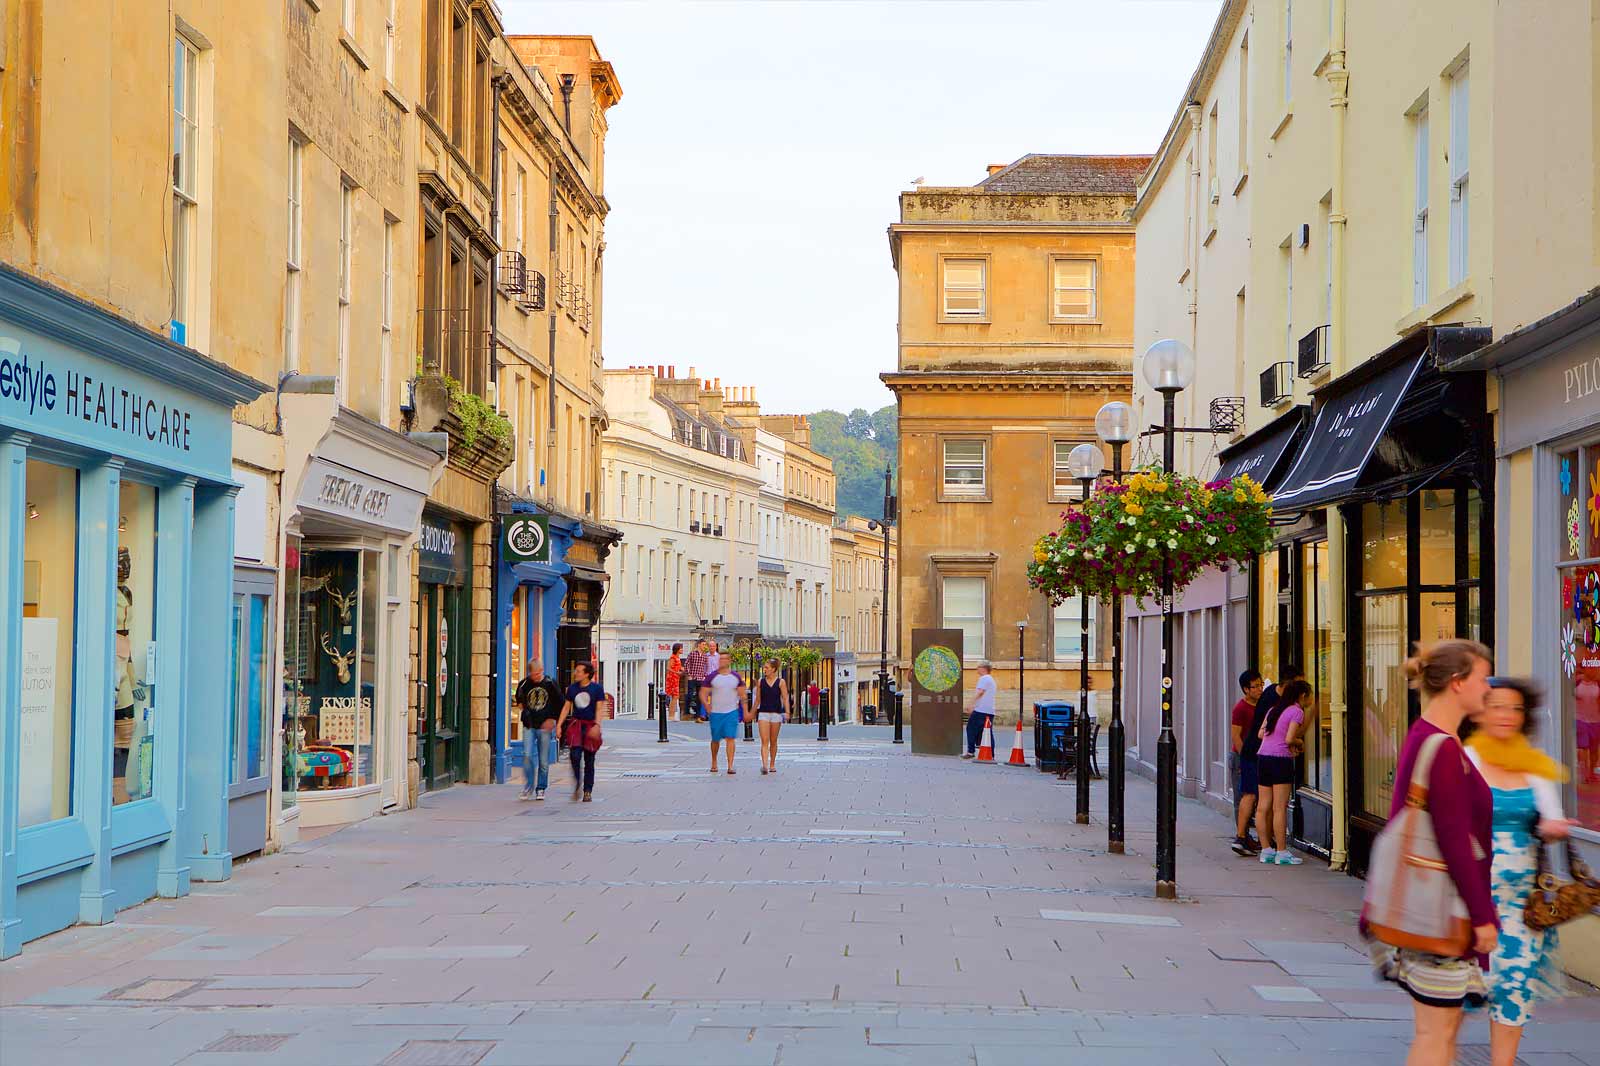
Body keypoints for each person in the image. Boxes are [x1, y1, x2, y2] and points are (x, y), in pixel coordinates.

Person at [1365, 640, 1498, 1066]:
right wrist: (1482, 917)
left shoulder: (1427, 737)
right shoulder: (1441, 748)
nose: (1488, 690)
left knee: (1441, 1031)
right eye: (1483, 679)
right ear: (1458, 683)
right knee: (1435, 1033)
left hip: (1430, 904)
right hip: (1441, 911)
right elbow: (1454, 840)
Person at [1464, 677, 1573, 1066]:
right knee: (1457, 993)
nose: (1507, 716)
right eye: (1497, 706)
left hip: (1522, 906)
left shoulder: (1534, 765)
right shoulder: (1466, 760)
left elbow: (1552, 820)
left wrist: (1552, 828)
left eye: (1515, 708)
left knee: (1514, 989)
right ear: (1480, 711)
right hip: (1469, 901)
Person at [1255, 678, 1311, 865]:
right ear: (1302, 695)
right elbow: (1289, 739)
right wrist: (1299, 742)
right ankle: (1281, 851)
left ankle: (1266, 850)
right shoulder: (1296, 711)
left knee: (1263, 806)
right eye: (1308, 697)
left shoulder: (1273, 709)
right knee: (1279, 807)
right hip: (1280, 759)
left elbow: (1261, 734)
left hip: (1263, 757)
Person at [556, 662, 606, 802]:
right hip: (576, 725)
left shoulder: (597, 689)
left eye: (578, 671)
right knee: (575, 756)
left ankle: (587, 791)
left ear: (586, 674)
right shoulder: (572, 689)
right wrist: (559, 725)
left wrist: (597, 726)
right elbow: (566, 708)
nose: (575, 673)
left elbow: (599, 709)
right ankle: (578, 782)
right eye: (575, 671)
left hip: (590, 726)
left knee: (589, 760)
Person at [515, 659, 563, 800]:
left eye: (538, 673)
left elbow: (560, 703)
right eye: (533, 674)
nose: (536, 677)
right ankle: (528, 787)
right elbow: (519, 700)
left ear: (542, 670)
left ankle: (541, 788)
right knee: (527, 755)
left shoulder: (550, 684)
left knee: (543, 760)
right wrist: (524, 711)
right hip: (529, 725)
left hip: (544, 726)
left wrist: (553, 720)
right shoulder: (524, 683)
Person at [1230, 670, 1265, 855]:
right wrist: (1246, 758)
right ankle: (1242, 836)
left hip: (1257, 756)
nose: (1260, 689)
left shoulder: (1262, 705)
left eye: (1261, 685)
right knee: (1244, 796)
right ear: (1246, 689)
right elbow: (1236, 735)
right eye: (1255, 686)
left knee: (1256, 797)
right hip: (1242, 757)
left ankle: (1254, 837)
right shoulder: (1241, 708)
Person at [701, 652, 747, 773]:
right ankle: (714, 761)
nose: (722, 661)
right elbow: (703, 693)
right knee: (715, 739)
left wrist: (746, 711)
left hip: (731, 712)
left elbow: (743, 695)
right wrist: (706, 705)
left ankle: (730, 765)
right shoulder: (712, 677)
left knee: (730, 738)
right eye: (720, 659)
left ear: (729, 661)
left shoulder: (736, 677)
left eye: (725, 659)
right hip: (716, 712)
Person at [755, 658, 789, 775]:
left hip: (776, 713)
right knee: (765, 740)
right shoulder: (760, 682)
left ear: (773, 669)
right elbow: (758, 699)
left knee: (773, 740)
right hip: (763, 713)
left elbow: (785, 697)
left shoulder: (781, 682)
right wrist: (751, 712)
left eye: (767, 668)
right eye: (764, 667)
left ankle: (772, 764)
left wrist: (787, 712)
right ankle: (764, 765)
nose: (764, 670)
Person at [962, 662, 998, 759]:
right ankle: (990, 754)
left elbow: (980, 693)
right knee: (987, 732)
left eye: (978, 667)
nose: (977, 669)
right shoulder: (991, 679)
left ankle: (970, 751)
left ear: (984, 668)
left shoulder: (984, 679)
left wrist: (970, 704)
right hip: (989, 710)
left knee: (970, 729)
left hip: (981, 710)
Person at [684, 640, 710, 721]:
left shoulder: (705, 656)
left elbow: (706, 666)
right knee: (690, 694)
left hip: (700, 678)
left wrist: (704, 676)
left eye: (705, 645)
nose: (704, 646)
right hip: (693, 677)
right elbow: (686, 664)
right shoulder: (692, 654)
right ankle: (687, 710)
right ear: (699, 645)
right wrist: (689, 674)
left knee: (700, 696)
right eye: (703, 644)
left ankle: (697, 714)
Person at [665, 643, 684, 721]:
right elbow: (668, 668)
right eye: (681, 648)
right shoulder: (673, 657)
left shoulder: (678, 658)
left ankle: (671, 715)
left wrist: (682, 669)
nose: (682, 650)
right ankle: (671, 715)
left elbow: (678, 667)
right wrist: (677, 672)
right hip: (672, 678)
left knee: (675, 697)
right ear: (677, 649)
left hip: (676, 678)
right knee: (674, 696)